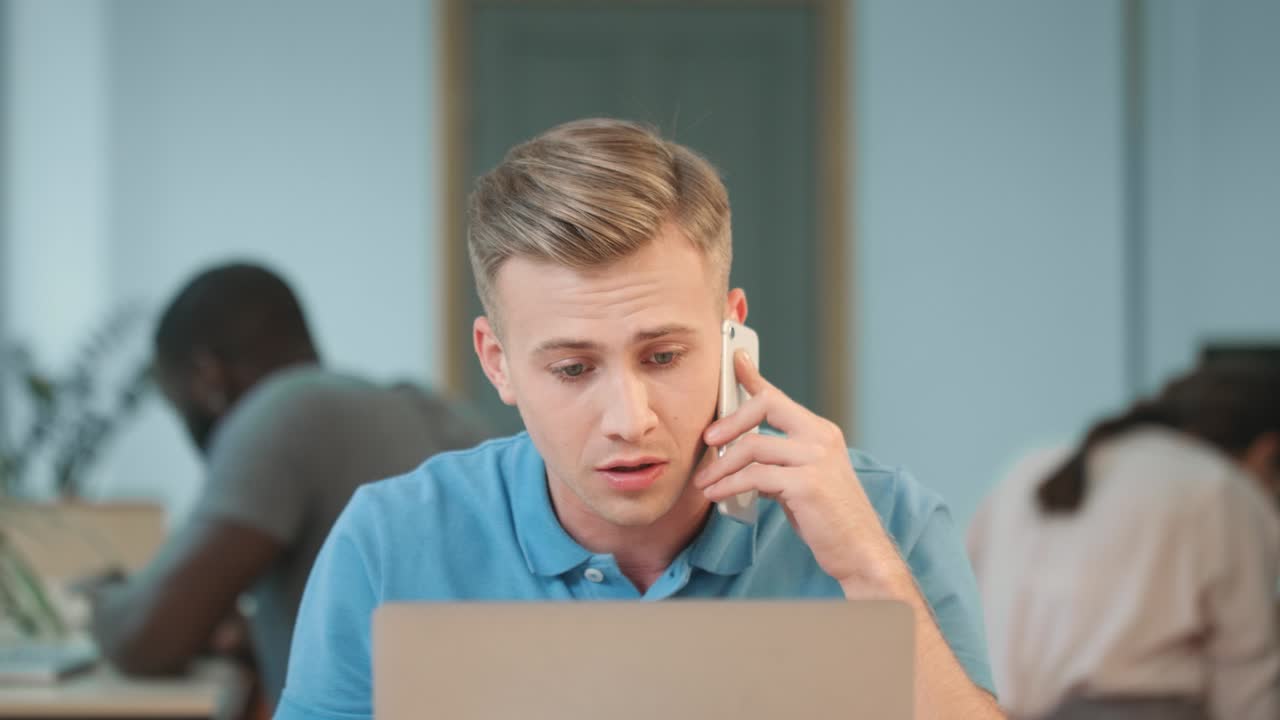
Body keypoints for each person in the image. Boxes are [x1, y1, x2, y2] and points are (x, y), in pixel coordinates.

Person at [276, 119, 1000, 720]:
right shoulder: (389, 540)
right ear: (497, 362)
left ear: (730, 331)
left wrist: (868, 571)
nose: (630, 420)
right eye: (572, 369)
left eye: (662, 356)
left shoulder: (887, 520)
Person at [88, 262, 489, 708]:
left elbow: (144, 640)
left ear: (208, 377)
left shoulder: (285, 410)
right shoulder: (437, 412)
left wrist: (99, 598)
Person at [968, 364, 1280, 720]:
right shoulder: (1222, 490)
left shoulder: (1027, 471)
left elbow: (959, 616)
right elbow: (1247, 675)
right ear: (1267, 450)